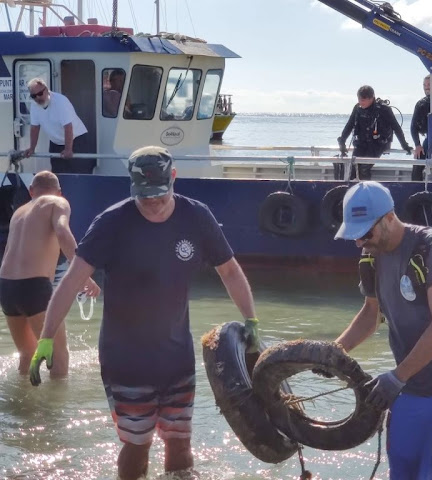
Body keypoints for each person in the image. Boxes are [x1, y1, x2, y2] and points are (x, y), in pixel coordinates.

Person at [29, 146, 261, 480]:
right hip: (125, 359)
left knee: (180, 441)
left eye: (159, 194)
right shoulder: (111, 222)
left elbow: (230, 272)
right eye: (144, 195)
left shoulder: (197, 217)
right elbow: (70, 283)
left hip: (177, 355)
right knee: (138, 444)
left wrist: (251, 319)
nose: (152, 202)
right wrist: (46, 338)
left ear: (174, 178)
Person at [333, 181, 432, 479]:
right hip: (412, 387)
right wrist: (334, 353)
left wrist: (396, 377)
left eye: (365, 233)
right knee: (405, 466)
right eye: (354, 235)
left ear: (389, 217)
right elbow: (371, 314)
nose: (359, 242)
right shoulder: (370, 256)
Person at [0, 171, 100, 377]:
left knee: (27, 354)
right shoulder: (57, 202)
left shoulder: (19, 212)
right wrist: (82, 274)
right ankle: (55, 399)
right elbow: (62, 232)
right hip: (34, 286)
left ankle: (23, 397)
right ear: (59, 192)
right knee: (59, 357)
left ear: (31, 191)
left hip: (6, 286)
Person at [335, 85, 412, 181]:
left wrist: (404, 145)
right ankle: (354, 188)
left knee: (364, 168)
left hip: (378, 144)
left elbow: (396, 127)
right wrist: (342, 141)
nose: (361, 102)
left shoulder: (383, 109)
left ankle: (367, 188)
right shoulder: (358, 108)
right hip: (361, 143)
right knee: (353, 168)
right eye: (359, 99)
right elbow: (349, 125)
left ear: (371, 98)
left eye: (363, 100)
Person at [25, 78, 94, 174]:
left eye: (40, 93)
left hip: (76, 140)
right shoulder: (34, 105)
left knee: (80, 174)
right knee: (57, 176)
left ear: (46, 90)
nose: (37, 98)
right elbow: (35, 128)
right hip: (56, 143)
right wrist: (32, 148)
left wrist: (68, 149)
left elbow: (68, 126)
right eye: (33, 96)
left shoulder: (60, 101)